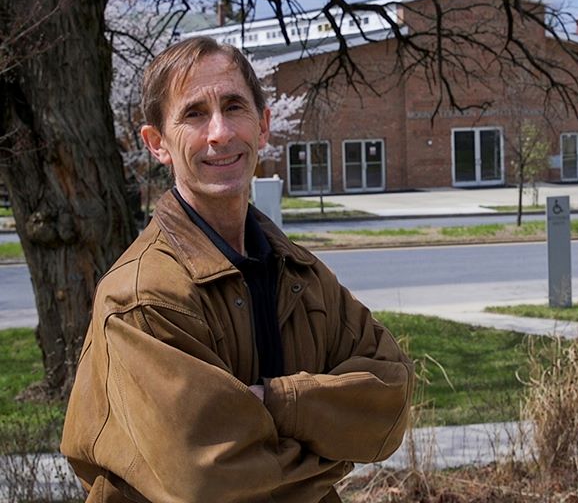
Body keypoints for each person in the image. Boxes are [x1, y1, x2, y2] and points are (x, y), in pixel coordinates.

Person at [61, 37, 414, 502]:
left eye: (234, 107)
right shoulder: (141, 297)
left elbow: (389, 400)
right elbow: (209, 481)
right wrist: (333, 446)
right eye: (193, 114)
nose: (220, 133)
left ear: (264, 126)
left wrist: (272, 402)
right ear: (156, 143)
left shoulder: (301, 276)